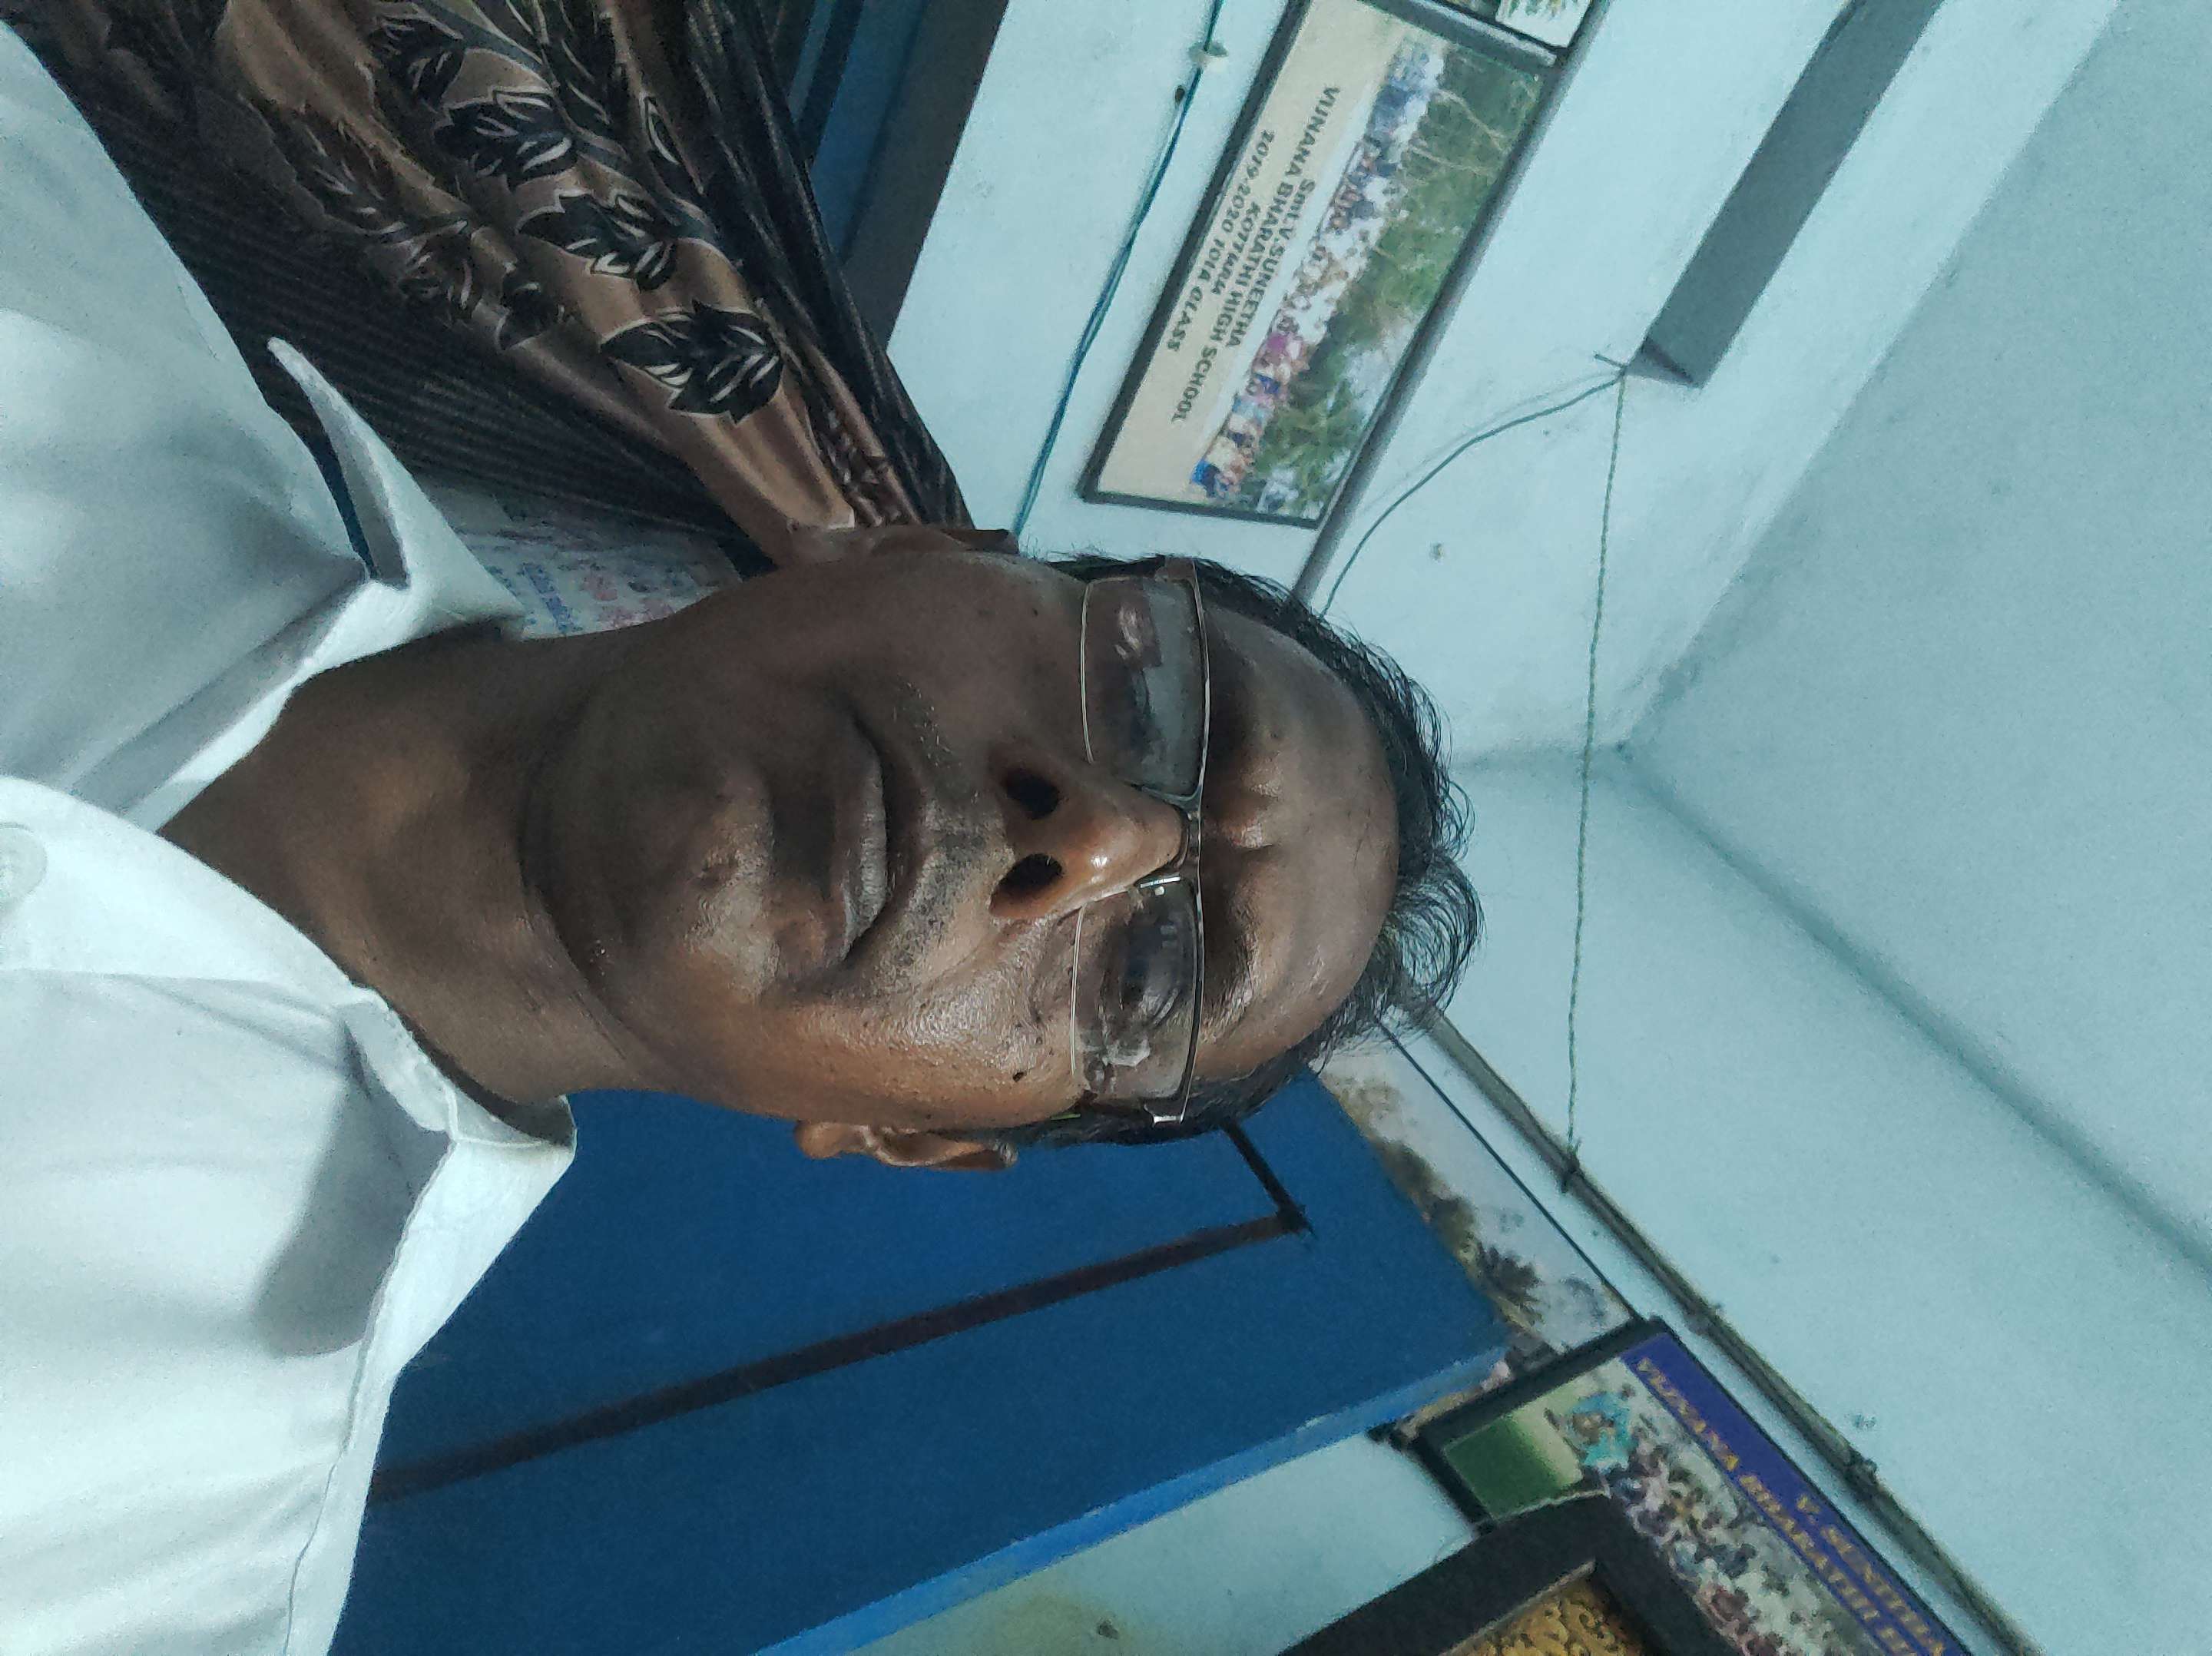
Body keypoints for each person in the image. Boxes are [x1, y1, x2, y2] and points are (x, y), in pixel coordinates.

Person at [0, 22, 1478, 1656]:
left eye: (1150, 975)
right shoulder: (37, 252)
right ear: (911, 551)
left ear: (911, 1134)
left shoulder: (157, 1550)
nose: (1095, 836)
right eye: (1154, 701)